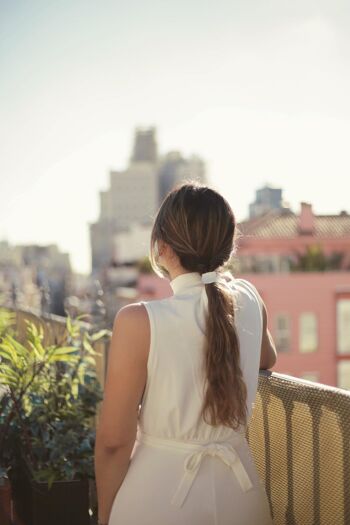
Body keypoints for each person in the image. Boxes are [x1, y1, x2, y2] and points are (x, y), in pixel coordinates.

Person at [94, 181, 277, 525]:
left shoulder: (139, 322)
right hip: (241, 498)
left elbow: (114, 442)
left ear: (162, 247)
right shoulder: (249, 299)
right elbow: (267, 359)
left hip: (157, 500)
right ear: (226, 245)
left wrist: (104, 515)